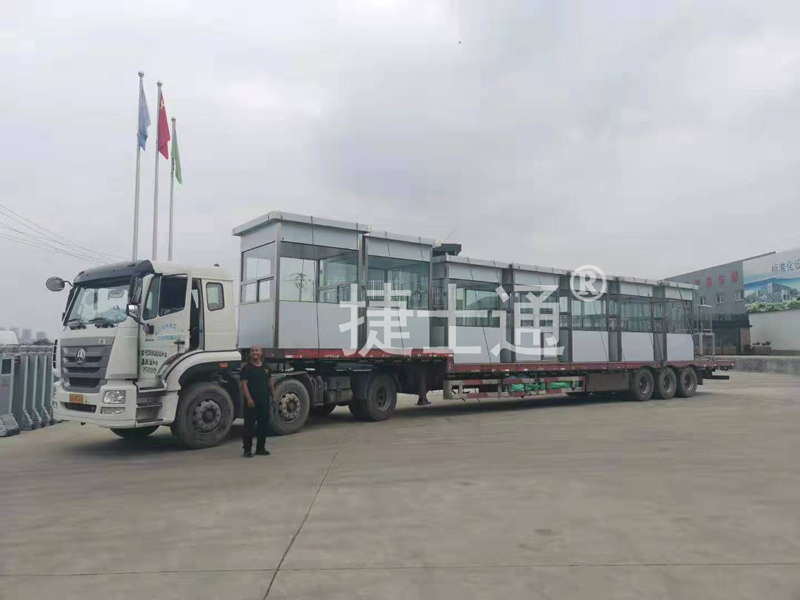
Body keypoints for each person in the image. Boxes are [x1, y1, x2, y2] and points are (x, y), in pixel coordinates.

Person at [240, 345, 276, 458]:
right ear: (250, 354)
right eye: (252, 351)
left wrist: (274, 396)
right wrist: (249, 399)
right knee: (249, 426)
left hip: (264, 401)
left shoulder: (266, 368)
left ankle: (260, 448)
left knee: (263, 425)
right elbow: (244, 385)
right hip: (252, 402)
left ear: (261, 353)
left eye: (257, 350)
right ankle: (247, 450)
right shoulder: (246, 368)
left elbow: (270, 382)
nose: (254, 352)